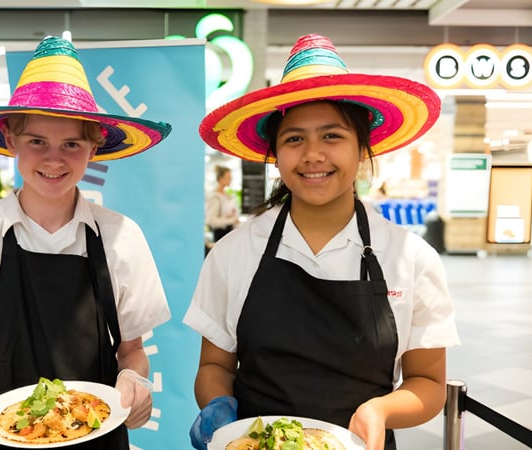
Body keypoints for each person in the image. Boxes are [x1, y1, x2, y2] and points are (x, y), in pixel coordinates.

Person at [183, 34, 459, 450]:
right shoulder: (234, 252)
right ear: (275, 154)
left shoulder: (411, 257)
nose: (313, 155)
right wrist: (220, 405)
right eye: (294, 139)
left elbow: (428, 382)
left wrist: (380, 410)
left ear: (362, 149)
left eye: (332, 136)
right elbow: (215, 364)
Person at [0, 35, 172, 450]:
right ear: (10, 140)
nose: (54, 159)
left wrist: (134, 380)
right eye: (37, 142)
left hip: (99, 439)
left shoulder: (121, 236)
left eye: (72, 145)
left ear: (94, 147)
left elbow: (132, 350)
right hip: (2, 437)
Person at [205, 165, 240, 242]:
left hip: (229, 233)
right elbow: (211, 220)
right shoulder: (215, 197)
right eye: (228, 177)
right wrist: (232, 220)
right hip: (220, 235)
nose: (231, 179)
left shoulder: (227, 195)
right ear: (220, 179)